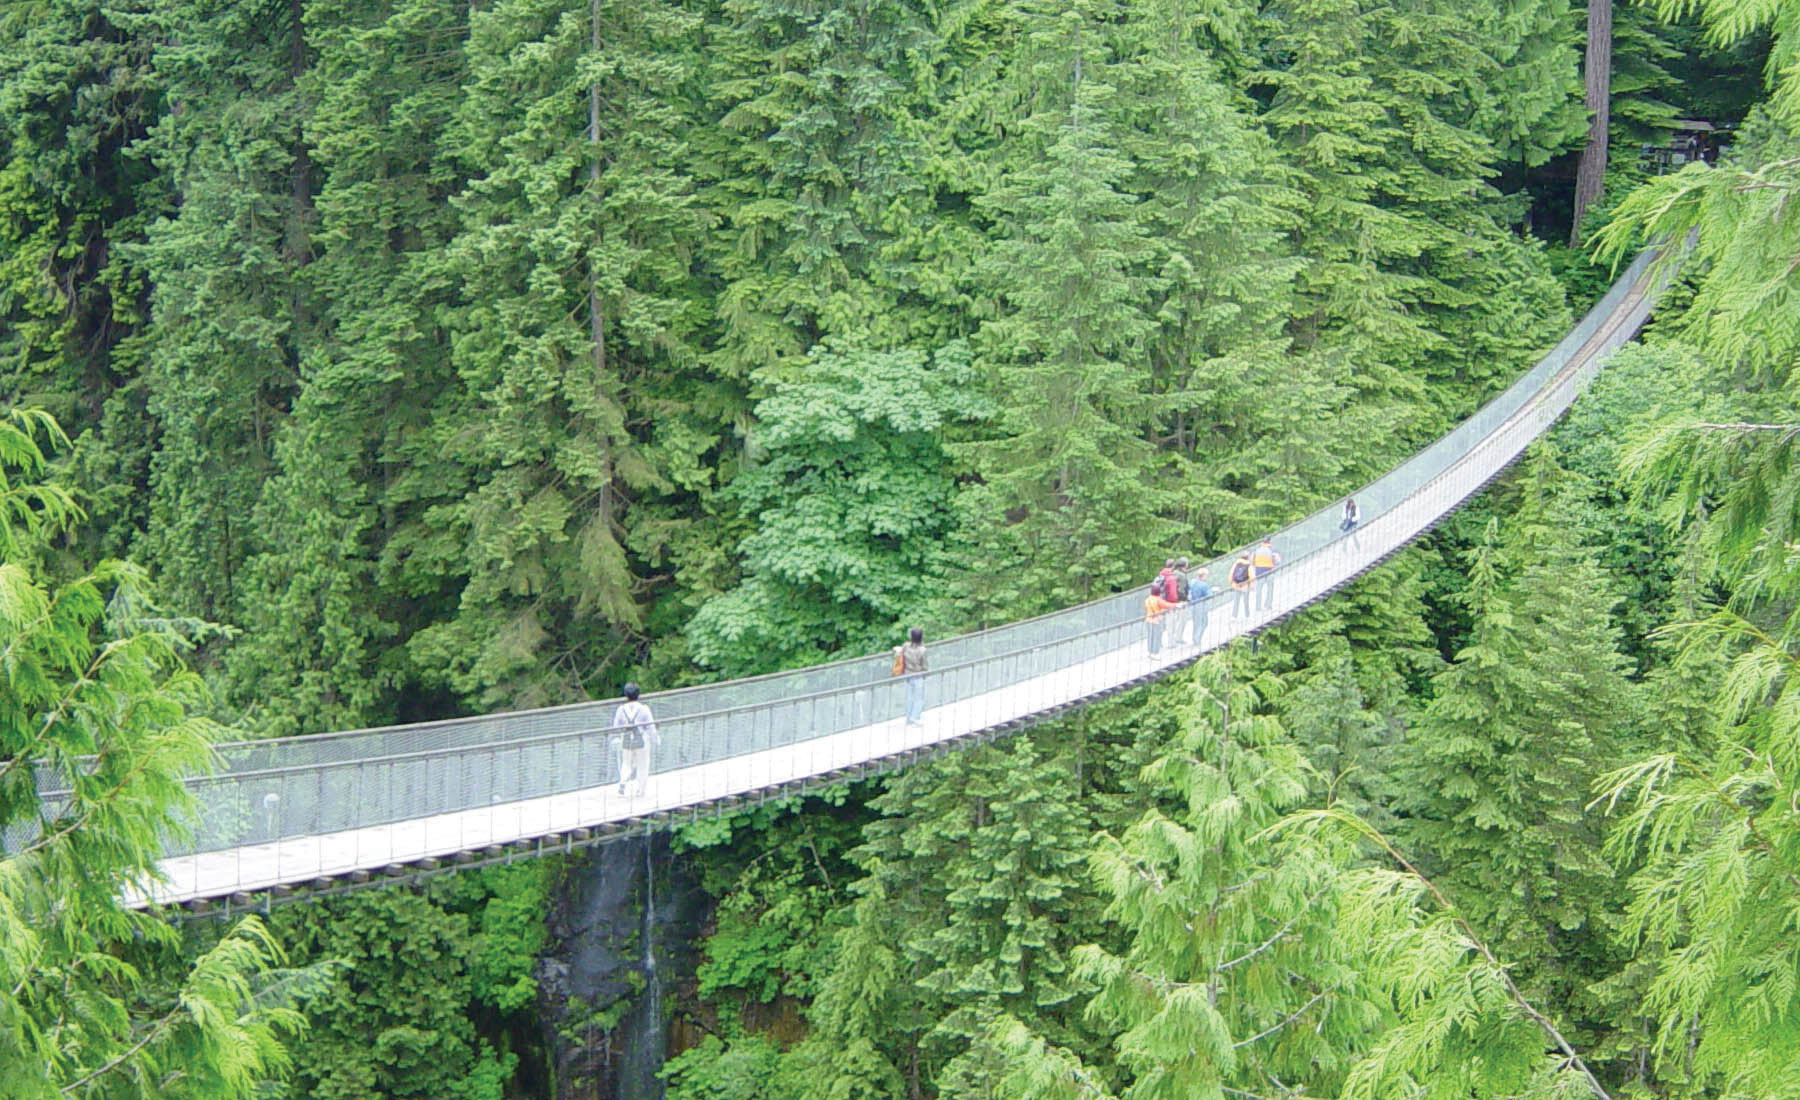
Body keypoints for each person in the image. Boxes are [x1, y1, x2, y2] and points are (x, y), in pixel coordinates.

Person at [610, 682, 660, 798]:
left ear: (626, 695)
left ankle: (622, 784)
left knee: (626, 763)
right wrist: (656, 739)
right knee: (643, 764)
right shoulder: (644, 709)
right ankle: (640, 790)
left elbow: (616, 726)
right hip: (642, 740)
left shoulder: (621, 709)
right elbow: (650, 726)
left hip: (626, 739)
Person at [894, 627, 928, 725]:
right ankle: (915, 717)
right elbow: (925, 665)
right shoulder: (922, 650)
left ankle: (908, 718)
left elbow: (900, 652)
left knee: (909, 696)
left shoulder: (906, 646)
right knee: (919, 698)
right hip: (918, 675)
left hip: (907, 674)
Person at [1144, 584, 1176, 657]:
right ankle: (1155, 653)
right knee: (1156, 637)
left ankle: (1149, 651)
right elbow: (1167, 605)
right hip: (1156, 620)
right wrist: (1176, 605)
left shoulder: (1148, 599)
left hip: (1148, 620)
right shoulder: (1158, 600)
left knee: (1150, 636)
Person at [1252, 536, 1281, 611]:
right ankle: (1268, 605)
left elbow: (1252, 560)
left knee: (1259, 589)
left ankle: (1258, 607)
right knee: (1270, 588)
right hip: (1269, 570)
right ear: (1269, 541)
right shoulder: (1272, 550)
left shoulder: (1256, 550)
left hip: (1259, 571)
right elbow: (1278, 561)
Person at [1187, 566, 1213, 645]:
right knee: (1204, 622)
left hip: (1193, 604)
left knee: (1196, 622)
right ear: (1203, 576)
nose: (1206, 577)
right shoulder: (1203, 585)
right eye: (1206, 576)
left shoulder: (1193, 582)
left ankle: (1195, 638)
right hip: (1201, 605)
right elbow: (1209, 595)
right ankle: (1197, 639)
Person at [1229, 551, 1255, 618]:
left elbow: (1231, 574)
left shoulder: (1236, 564)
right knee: (1246, 601)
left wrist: (1232, 583)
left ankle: (1234, 616)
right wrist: (1252, 586)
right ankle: (1247, 615)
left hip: (1236, 585)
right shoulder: (1249, 565)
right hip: (1245, 585)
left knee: (1236, 601)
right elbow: (1252, 576)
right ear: (1248, 557)